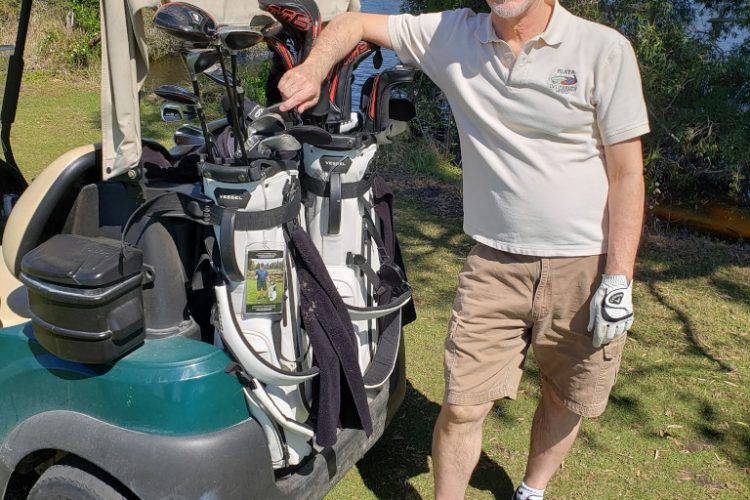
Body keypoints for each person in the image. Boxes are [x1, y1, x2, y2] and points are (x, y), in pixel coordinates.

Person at [278, 0, 649, 498]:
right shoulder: (452, 34)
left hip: (585, 266)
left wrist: (618, 278)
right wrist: (313, 69)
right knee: (462, 405)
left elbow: (627, 174)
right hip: (494, 263)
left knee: (566, 397)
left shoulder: (604, 49)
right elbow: (356, 21)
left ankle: (532, 489)